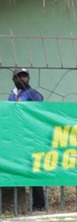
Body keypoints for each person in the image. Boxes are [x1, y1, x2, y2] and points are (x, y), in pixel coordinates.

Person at [7, 68, 48, 211]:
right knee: (14, 168)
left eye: (25, 76)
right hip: (15, 138)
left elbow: (38, 113)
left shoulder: (34, 94)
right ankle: (15, 204)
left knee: (33, 169)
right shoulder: (12, 95)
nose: (23, 79)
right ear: (14, 79)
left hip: (31, 138)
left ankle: (39, 204)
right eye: (19, 76)